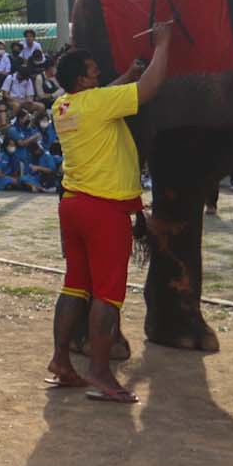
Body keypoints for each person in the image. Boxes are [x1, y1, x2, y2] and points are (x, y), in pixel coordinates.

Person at [45, 23, 174, 402]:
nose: (99, 73)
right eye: (93, 71)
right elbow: (148, 89)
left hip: (73, 206)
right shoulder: (99, 103)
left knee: (74, 286)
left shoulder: (63, 104)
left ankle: (61, 360)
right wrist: (163, 45)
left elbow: (103, 95)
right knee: (107, 294)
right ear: (83, 80)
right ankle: (100, 372)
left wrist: (127, 74)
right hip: (104, 211)